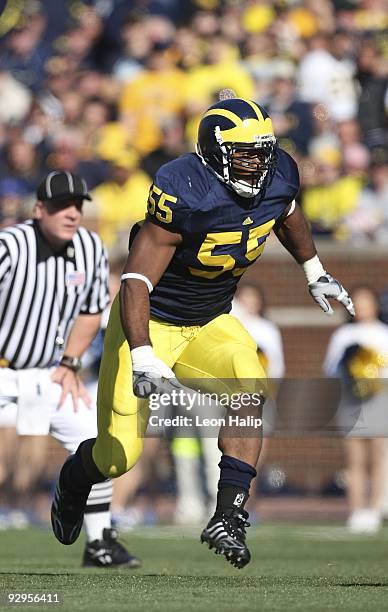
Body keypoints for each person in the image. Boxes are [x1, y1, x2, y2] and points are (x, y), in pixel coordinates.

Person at [51, 94, 354, 569]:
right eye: (247, 154)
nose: (260, 164)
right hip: (148, 323)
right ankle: (74, 478)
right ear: (215, 153)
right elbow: (135, 280)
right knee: (118, 457)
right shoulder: (184, 189)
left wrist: (313, 267)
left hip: (210, 321)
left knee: (249, 384)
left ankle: (228, 514)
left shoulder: (278, 175)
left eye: (264, 151)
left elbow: (288, 209)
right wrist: (144, 351)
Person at [0, 170, 140, 568]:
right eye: (62, 205)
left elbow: (91, 310)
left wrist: (69, 362)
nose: (72, 213)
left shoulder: (90, 248)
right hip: (2, 369)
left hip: (49, 371)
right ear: (39, 209)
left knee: (100, 443)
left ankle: (98, 543)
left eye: (77, 205)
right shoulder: (10, 245)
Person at [323, 286, 388, 534]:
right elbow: (330, 368)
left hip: (379, 400)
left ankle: (375, 508)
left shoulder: (384, 333)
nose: (362, 307)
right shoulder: (344, 335)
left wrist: (372, 375)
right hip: (351, 401)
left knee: (378, 456)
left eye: (366, 302)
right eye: (357, 303)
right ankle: (357, 510)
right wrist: (351, 370)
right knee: (355, 459)